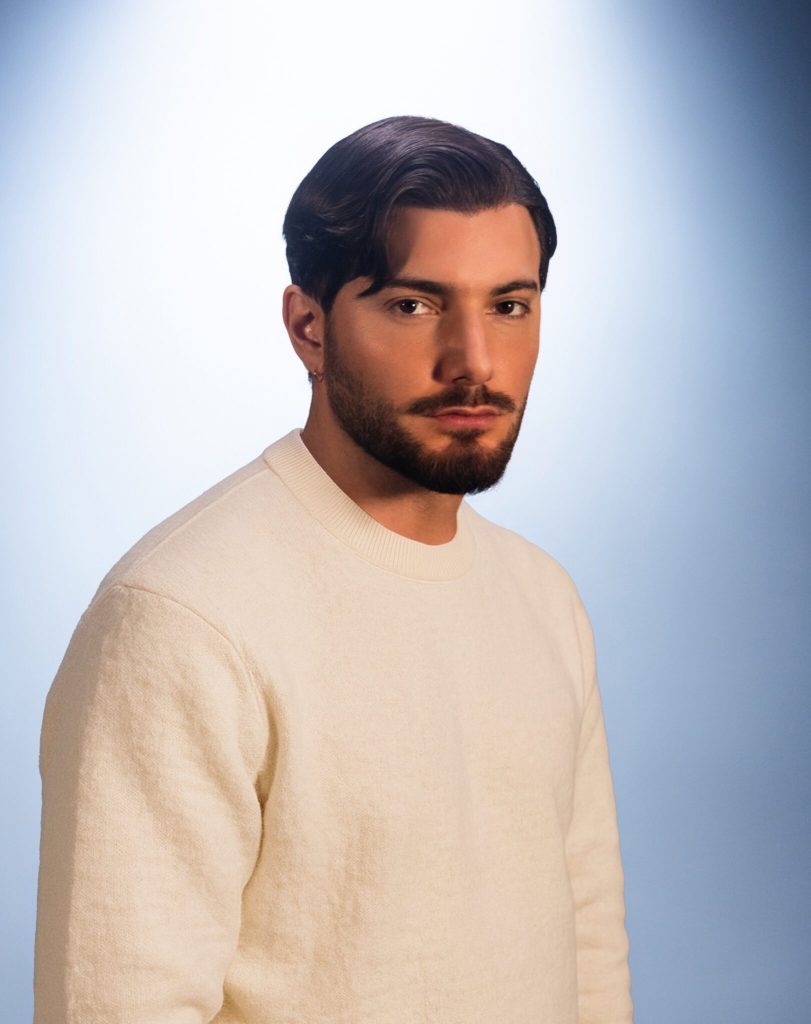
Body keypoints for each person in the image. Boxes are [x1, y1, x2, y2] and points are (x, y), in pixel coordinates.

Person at [34, 115, 633, 1023]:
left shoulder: (542, 599)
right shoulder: (180, 617)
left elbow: (587, 951)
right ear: (308, 327)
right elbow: (117, 1003)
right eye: (413, 305)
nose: (473, 362)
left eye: (508, 306)